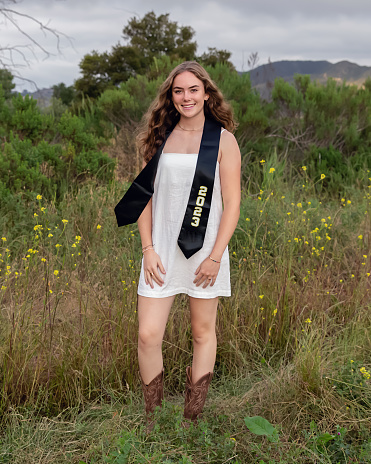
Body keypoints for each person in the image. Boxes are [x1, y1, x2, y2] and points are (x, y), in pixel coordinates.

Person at [135, 61, 241, 427]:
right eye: (179, 91)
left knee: (201, 332)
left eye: (193, 90)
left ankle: (191, 418)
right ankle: (153, 417)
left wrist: (215, 256)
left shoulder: (223, 141)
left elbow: (232, 205)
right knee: (148, 335)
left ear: (207, 93)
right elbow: (142, 199)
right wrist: (147, 249)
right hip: (161, 251)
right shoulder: (159, 138)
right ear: (171, 96)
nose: (186, 97)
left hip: (205, 252)